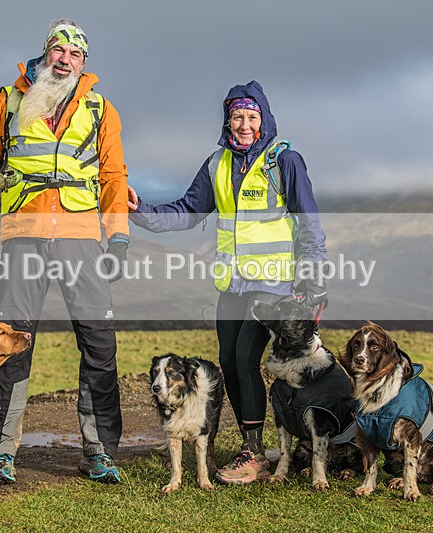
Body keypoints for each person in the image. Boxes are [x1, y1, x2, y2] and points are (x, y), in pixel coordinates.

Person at [0, 18, 129, 484]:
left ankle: (99, 452)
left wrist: (119, 236)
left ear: (85, 62)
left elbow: (113, 178)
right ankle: (1, 454)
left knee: (99, 346)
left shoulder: (102, 109)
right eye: (58, 51)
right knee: (12, 349)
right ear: (46, 54)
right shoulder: (9, 100)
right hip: (23, 237)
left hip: (82, 240)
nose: (65, 60)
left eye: (75, 54)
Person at [128, 80, 328, 485]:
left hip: (272, 287)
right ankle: (249, 444)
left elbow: (309, 222)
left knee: (243, 359)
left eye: (252, 116)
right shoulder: (217, 164)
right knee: (230, 365)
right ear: (227, 120)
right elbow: (186, 211)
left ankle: (254, 454)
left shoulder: (284, 161)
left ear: (264, 120)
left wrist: (314, 277)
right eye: (236, 116)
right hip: (231, 286)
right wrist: (139, 210)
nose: (243, 124)